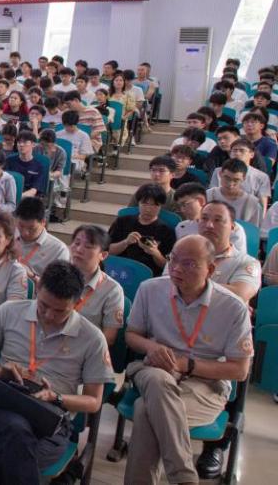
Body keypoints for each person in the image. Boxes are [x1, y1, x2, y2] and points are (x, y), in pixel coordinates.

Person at [123, 235, 253, 485]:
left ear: (210, 270)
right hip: (155, 369)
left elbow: (239, 370)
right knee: (158, 378)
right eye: (173, 259)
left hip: (205, 384)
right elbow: (132, 335)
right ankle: (184, 478)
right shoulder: (150, 289)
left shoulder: (233, 307)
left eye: (189, 264)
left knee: (145, 411)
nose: (177, 269)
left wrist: (187, 365)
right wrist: (153, 347)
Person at [0, 262, 114, 484]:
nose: (48, 315)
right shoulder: (11, 311)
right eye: (43, 305)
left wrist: (57, 397)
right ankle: (69, 473)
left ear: (77, 303)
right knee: (16, 433)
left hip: (52, 418)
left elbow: (94, 401)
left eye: (60, 311)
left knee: (5, 457)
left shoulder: (92, 338)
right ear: (37, 289)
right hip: (5, 404)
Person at [68, 225, 125, 345]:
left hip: (84, 349)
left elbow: (109, 337)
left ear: (103, 255)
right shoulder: (56, 275)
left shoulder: (112, 290)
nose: (79, 250)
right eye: (76, 243)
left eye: (88, 246)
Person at [107, 183, 176, 276]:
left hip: (147, 275)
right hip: (119, 271)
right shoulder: (122, 222)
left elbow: (167, 267)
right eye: (144, 204)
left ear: (161, 206)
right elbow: (106, 251)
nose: (148, 209)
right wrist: (126, 242)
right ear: (138, 203)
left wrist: (155, 252)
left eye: (154, 205)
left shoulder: (167, 231)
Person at [173, 182, 248, 253]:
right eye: (180, 206)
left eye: (184, 204)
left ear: (201, 201)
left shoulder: (233, 229)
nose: (182, 210)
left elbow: (237, 259)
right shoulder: (181, 227)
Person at [13, 197, 70, 280]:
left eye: (31, 228)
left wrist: (32, 276)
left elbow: (59, 285)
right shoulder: (7, 237)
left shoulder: (58, 249)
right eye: (21, 226)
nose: (25, 233)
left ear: (43, 222)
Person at [206, 159, 263, 226]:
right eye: (227, 178)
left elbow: (254, 230)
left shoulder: (253, 204)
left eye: (236, 180)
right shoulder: (208, 196)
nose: (230, 184)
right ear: (220, 174)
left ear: (244, 178)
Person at [6, 130, 49, 199]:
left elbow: (33, 191)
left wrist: (16, 198)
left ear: (33, 144)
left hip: (27, 199)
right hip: (9, 195)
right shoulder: (9, 160)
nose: (21, 145)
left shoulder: (39, 167)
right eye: (19, 142)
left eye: (25, 142)